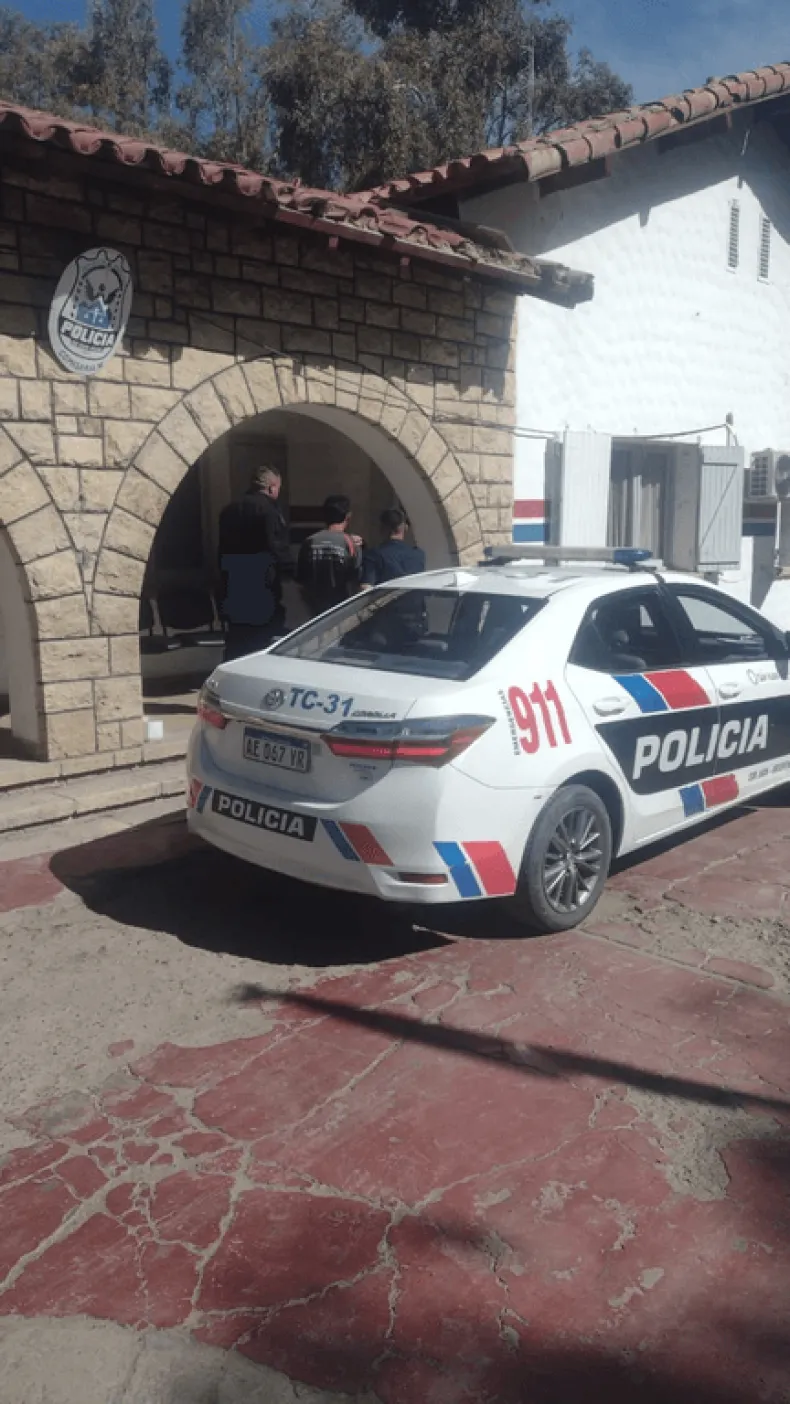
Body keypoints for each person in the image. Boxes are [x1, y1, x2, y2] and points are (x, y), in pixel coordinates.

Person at [217, 465, 293, 662]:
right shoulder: (269, 511)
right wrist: (294, 570)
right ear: (272, 487)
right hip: (262, 586)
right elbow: (276, 547)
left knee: (237, 641)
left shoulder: (229, 510)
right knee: (263, 642)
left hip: (232, 585)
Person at [297, 494, 363, 618]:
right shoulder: (351, 544)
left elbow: (301, 582)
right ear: (348, 517)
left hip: (316, 613)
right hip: (341, 611)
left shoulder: (309, 542)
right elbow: (356, 580)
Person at [360, 507, 425, 588]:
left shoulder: (374, 555)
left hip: (387, 596)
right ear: (406, 528)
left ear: (382, 528)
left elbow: (366, 587)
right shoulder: (419, 555)